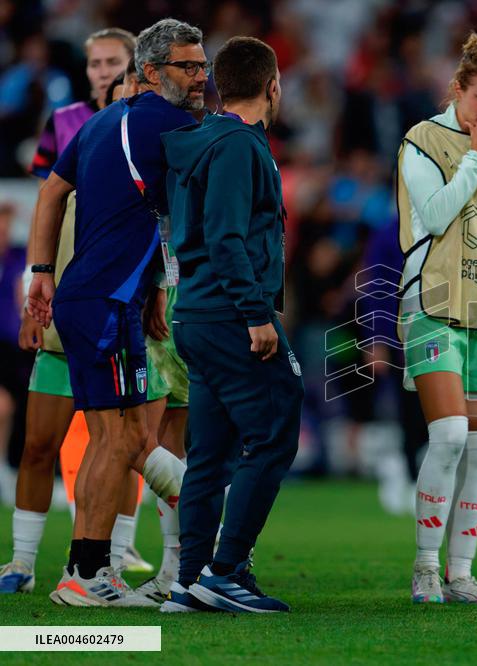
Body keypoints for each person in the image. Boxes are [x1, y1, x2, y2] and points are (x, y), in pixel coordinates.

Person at [25, 18, 202, 607]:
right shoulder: (175, 125)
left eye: (202, 66)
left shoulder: (99, 123)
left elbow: (51, 191)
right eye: (187, 66)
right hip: (110, 302)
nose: (199, 78)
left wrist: (41, 272)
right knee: (120, 439)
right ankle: (86, 575)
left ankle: (85, 570)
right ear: (151, 70)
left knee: (112, 437)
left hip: (86, 295)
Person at [0, 27, 146, 596]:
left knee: (122, 445)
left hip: (120, 312)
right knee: (40, 443)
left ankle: (106, 558)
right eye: (96, 63)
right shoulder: (65, 126)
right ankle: (22, 562)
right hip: (65, 315)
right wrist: (33, 296)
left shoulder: (145, 132)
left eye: (115, 63)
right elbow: (48, 215)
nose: (104, 71)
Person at [160, 35, 302, 614]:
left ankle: (190, 579)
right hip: (230, 313)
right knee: (274, 432)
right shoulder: (240, 145)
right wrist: (255, 313)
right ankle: (224, 571)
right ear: (272, 86)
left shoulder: (201, 139)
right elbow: (225, 236)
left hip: (196, 310)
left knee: (211, 451)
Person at [397, 33, 477, 605]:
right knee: (447, 435)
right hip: (432, 298)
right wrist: (476, 154)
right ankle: (425, 566)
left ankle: (462, 571)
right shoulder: (423, 139)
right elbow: (436, 215)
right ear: (457, 90)